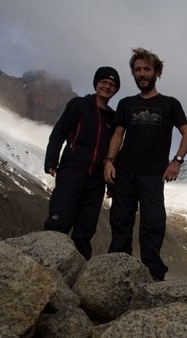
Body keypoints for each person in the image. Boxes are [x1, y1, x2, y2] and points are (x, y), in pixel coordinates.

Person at [104, 48, 187, 281]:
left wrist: (176, 162)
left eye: (146, 69)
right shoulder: (125, 104)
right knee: (120, 221)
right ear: (133, 74)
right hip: (124, 173)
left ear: (157, 72)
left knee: (153, 224)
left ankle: (154, 277)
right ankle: (118, 272)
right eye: (137, 70)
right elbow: (117, 136)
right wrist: (109, 161)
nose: (142, 73)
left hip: (153, 175)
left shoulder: (170, 104)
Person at [44, 66, 120, 260]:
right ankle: (46, 263)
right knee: (59, 219)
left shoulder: (113, 117)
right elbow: (60, 131)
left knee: (85, 229)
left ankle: (79, 274)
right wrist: (52, 158)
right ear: (96, 84)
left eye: (112, 84)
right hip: (72, 170)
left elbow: (114, 149)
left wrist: (112, 181)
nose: (107, 86)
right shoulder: (78, 105)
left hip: (96, 179)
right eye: (104, 82)